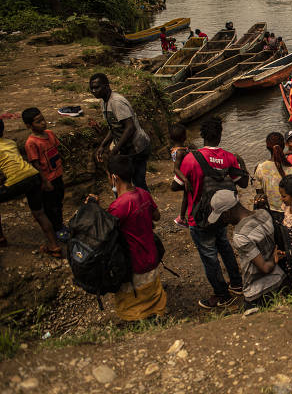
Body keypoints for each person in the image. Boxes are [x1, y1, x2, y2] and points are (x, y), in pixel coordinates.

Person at [89, 155, 166, 321]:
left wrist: (93, 209)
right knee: (153, 295)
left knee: (134, 305)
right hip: (152, 258)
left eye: (109, 176)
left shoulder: (118, 207)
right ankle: (156, 311)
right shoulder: (144, 194)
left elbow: (104, 234)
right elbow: (157, 216)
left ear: (114, 177)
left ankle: (140, 318)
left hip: (135, 265)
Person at [179, 116, 245, 309]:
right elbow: (239, 181)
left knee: (209, 255)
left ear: (202, 136)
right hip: (222, 213)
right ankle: (237, 283)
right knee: (224, 245)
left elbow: (177, 185)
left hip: (199, 216)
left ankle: (222, 294)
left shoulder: (191, 159)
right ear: (220, 134)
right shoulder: (228, 156)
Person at [209, 189, 286, 316]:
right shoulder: (263, 213)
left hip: (257, 291)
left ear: (227, 213)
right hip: (279, 280)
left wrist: (274, 259)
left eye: (221, 216)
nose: (222, 221)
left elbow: (265, 268)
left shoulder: (240, 235)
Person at [0, 119, 60, 256]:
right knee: (39, 213)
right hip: (33, 176)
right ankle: (54, 246)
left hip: (17, 180)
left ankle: (1, 238)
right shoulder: (10, 143)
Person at [90, 73, 152, 191]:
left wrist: (115, 150)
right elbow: (114, 128)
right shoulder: (104, 102)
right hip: (128, 148)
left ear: (106, 86)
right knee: (129, 182)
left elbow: (130, 128)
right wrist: (103, 145)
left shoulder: (116, 102)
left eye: (97, 87)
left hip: (137, 147)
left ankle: (147, 206)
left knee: (138, 182)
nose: (94, 91)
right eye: (91, 88)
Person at [22, 107, 67, 241]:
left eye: (43, 119)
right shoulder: (31, 143)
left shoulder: (50, 134)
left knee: (58, 202)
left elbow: (56, 151)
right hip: (48, 179)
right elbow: (35, 164)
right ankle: (57, 228)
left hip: (57, 175)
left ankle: (59, 224)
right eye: (38, 121)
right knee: (50, 205)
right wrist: (45, 181)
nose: (43, 123)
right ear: (29, 125)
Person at [253, 132, 292, 226]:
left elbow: (260, 194)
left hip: (271, 213)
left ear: (267, 147)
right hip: (290, 212)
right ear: (284, 146)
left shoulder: (259, 168)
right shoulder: (291, 168)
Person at [169, 123, 190, 227]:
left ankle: (181, 217)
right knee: (187, 196)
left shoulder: (176, 149)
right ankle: (181, 218)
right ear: (184, 137)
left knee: (187, 196)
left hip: (180, 177)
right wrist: (185, 180)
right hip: (182, 178)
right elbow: (176, 169)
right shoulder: (180, 152)